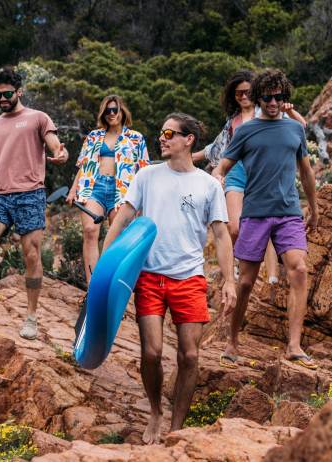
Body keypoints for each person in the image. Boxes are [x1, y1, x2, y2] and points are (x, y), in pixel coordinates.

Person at [103, 113, 236, 443]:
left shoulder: (207, 185)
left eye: (168, 133)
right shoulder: (147, 176)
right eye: (161, 133)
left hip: (189, 277)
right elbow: (122, 220)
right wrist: (105, 264)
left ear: (188, 139)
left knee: (189, 355)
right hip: (149, 275)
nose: (161, 138)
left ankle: (176, 427)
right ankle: (155, 412)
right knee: (151, 352)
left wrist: (229, 280)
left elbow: (221, 235)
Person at [211, 69, 319, 369]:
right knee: (245, 282)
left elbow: (307, 172)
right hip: (256, 213)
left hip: (289, 212)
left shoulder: (295, 130)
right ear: (259, 98)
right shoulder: (246, 131)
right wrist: (218, 176)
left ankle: (294, 346)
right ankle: (232, 341)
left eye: (279, 97)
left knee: (298, 269)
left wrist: (314, 208)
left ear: (285, 98)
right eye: (268, 97)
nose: (273, 102)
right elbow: (225, 163)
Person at [0, 66, 69, 340]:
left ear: (19, 92)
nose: (2, 99)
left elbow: (54, 144)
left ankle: (31, 317)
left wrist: (59, 153)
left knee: (31, 254)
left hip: (30, 194)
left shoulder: (37, 118)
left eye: (7, 94)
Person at [66, 95, 149, 284]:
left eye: (115, 110)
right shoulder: (93, 136)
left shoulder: (136, 138)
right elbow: (83, 165)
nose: (111, 114)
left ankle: (112, 285)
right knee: (89, 231)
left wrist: (143, 200)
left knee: (117, 238)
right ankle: (92, 286)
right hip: (93, 187)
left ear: (122, 112)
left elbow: (143, 169)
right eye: (107, 111)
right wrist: (73, 190)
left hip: (122, 191)